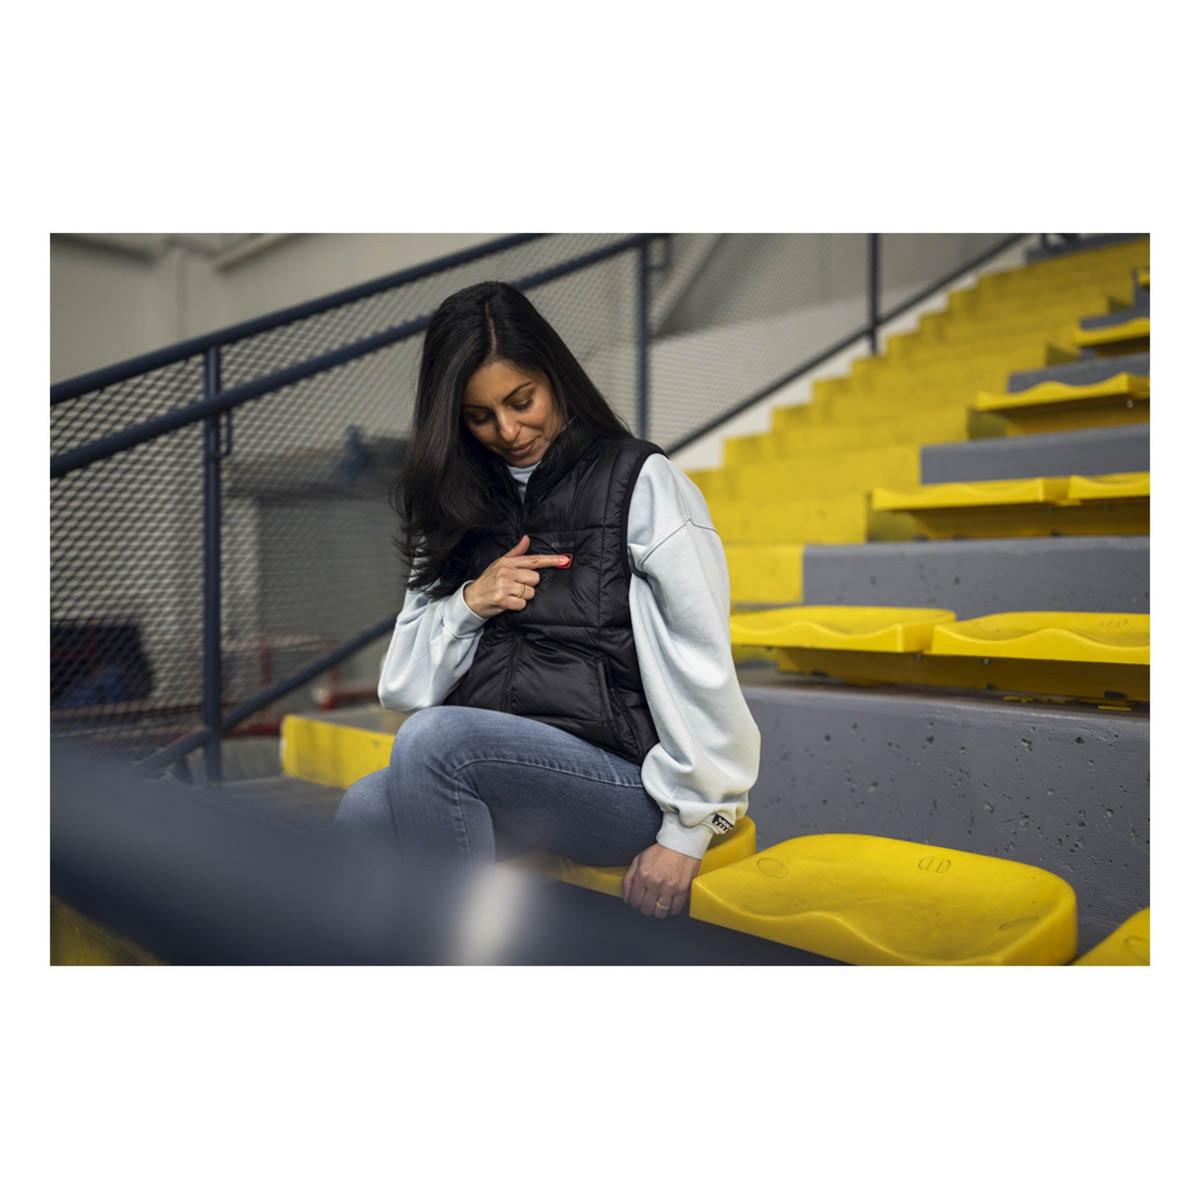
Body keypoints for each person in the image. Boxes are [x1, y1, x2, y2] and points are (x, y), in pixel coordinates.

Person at [335, 280, 760, 920]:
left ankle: (451, 956)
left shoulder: (639, 481)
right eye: (480, 416)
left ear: (554, 377)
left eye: (521, 401)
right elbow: (403, 688)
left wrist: (689, 830)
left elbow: (702, 660)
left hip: (622, 782)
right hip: (501, 770)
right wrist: (469, 604)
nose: (508, 430)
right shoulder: (453, 504)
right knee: (365, 806)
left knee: (434, 741)